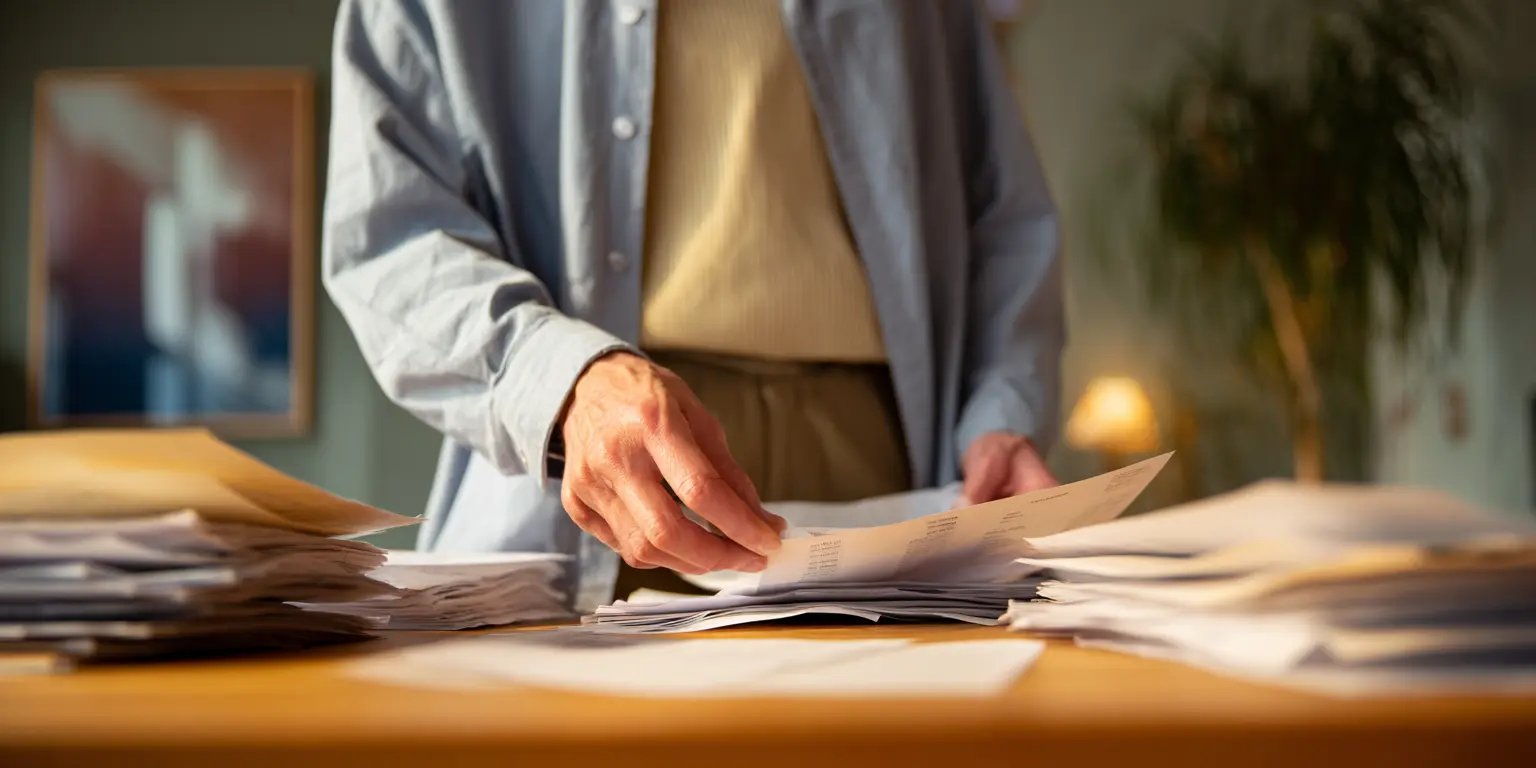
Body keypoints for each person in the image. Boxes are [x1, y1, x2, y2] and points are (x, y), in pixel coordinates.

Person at [323, 0, 1064, 611]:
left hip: (883, 468)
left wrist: (1001, 411)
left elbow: (999, 212)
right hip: (588, 468)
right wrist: (561, 381)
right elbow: (386, 239)